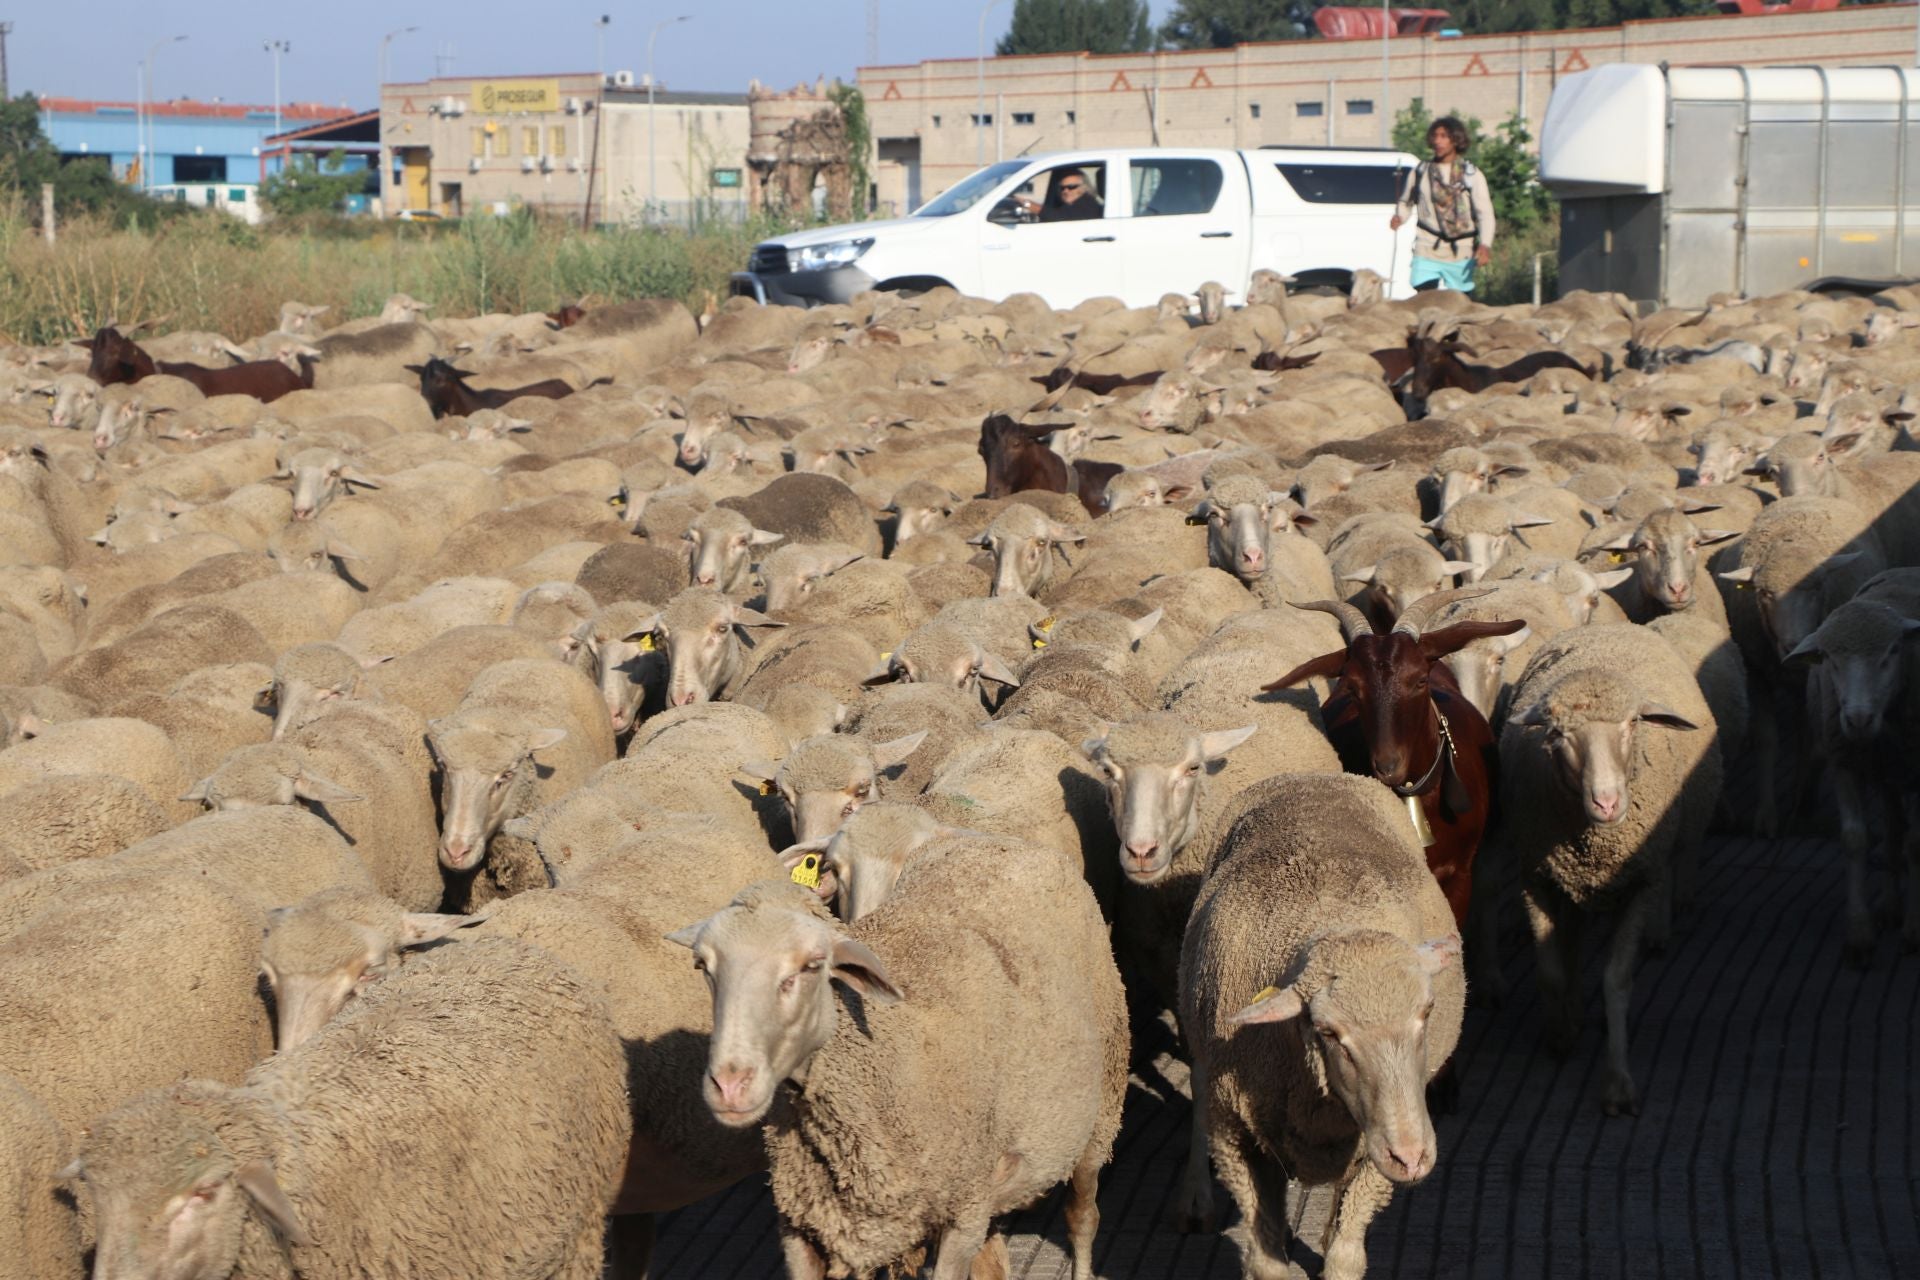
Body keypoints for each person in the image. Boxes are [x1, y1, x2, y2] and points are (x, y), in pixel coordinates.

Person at [1390, 117, 1496, 293]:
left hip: (1460, 250)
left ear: (1456, 140)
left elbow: (1485, 214)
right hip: (1426, 247)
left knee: (1460, 303)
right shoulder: (1421, 172)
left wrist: (1485, 245)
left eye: (1444, 136)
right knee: (1424, 300)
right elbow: (1405, 202)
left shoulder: (1471, 175)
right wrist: (1400, 217)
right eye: (1435, 136)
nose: (1438, 141)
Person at [1018, 168, 1103, 222]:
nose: (1066, 191)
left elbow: (1059, 217)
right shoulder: (1069, 205)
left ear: (1084, 188)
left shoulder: (1087, 204)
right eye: (1062, 188)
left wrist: (1027, 204)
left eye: (1071, 187)